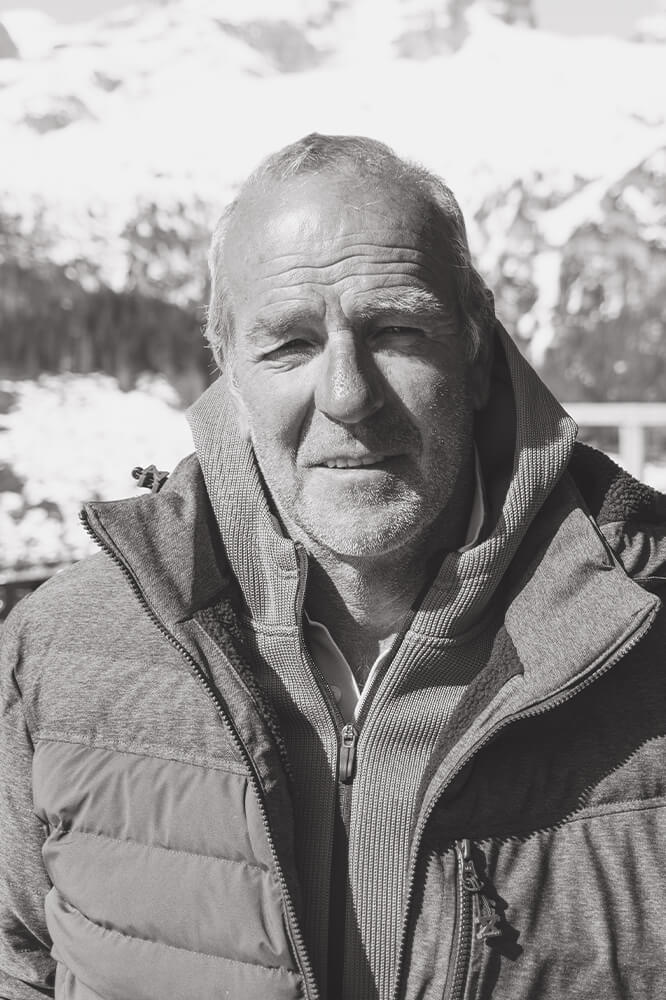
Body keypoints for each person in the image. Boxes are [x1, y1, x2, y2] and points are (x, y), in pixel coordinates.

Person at [1, 132, 665, 1000]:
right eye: (289, 344)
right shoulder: (62, 653)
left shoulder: (643, 637)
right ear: (227, 366)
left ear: (475, 347)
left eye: (396, 331)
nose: (348, 395)